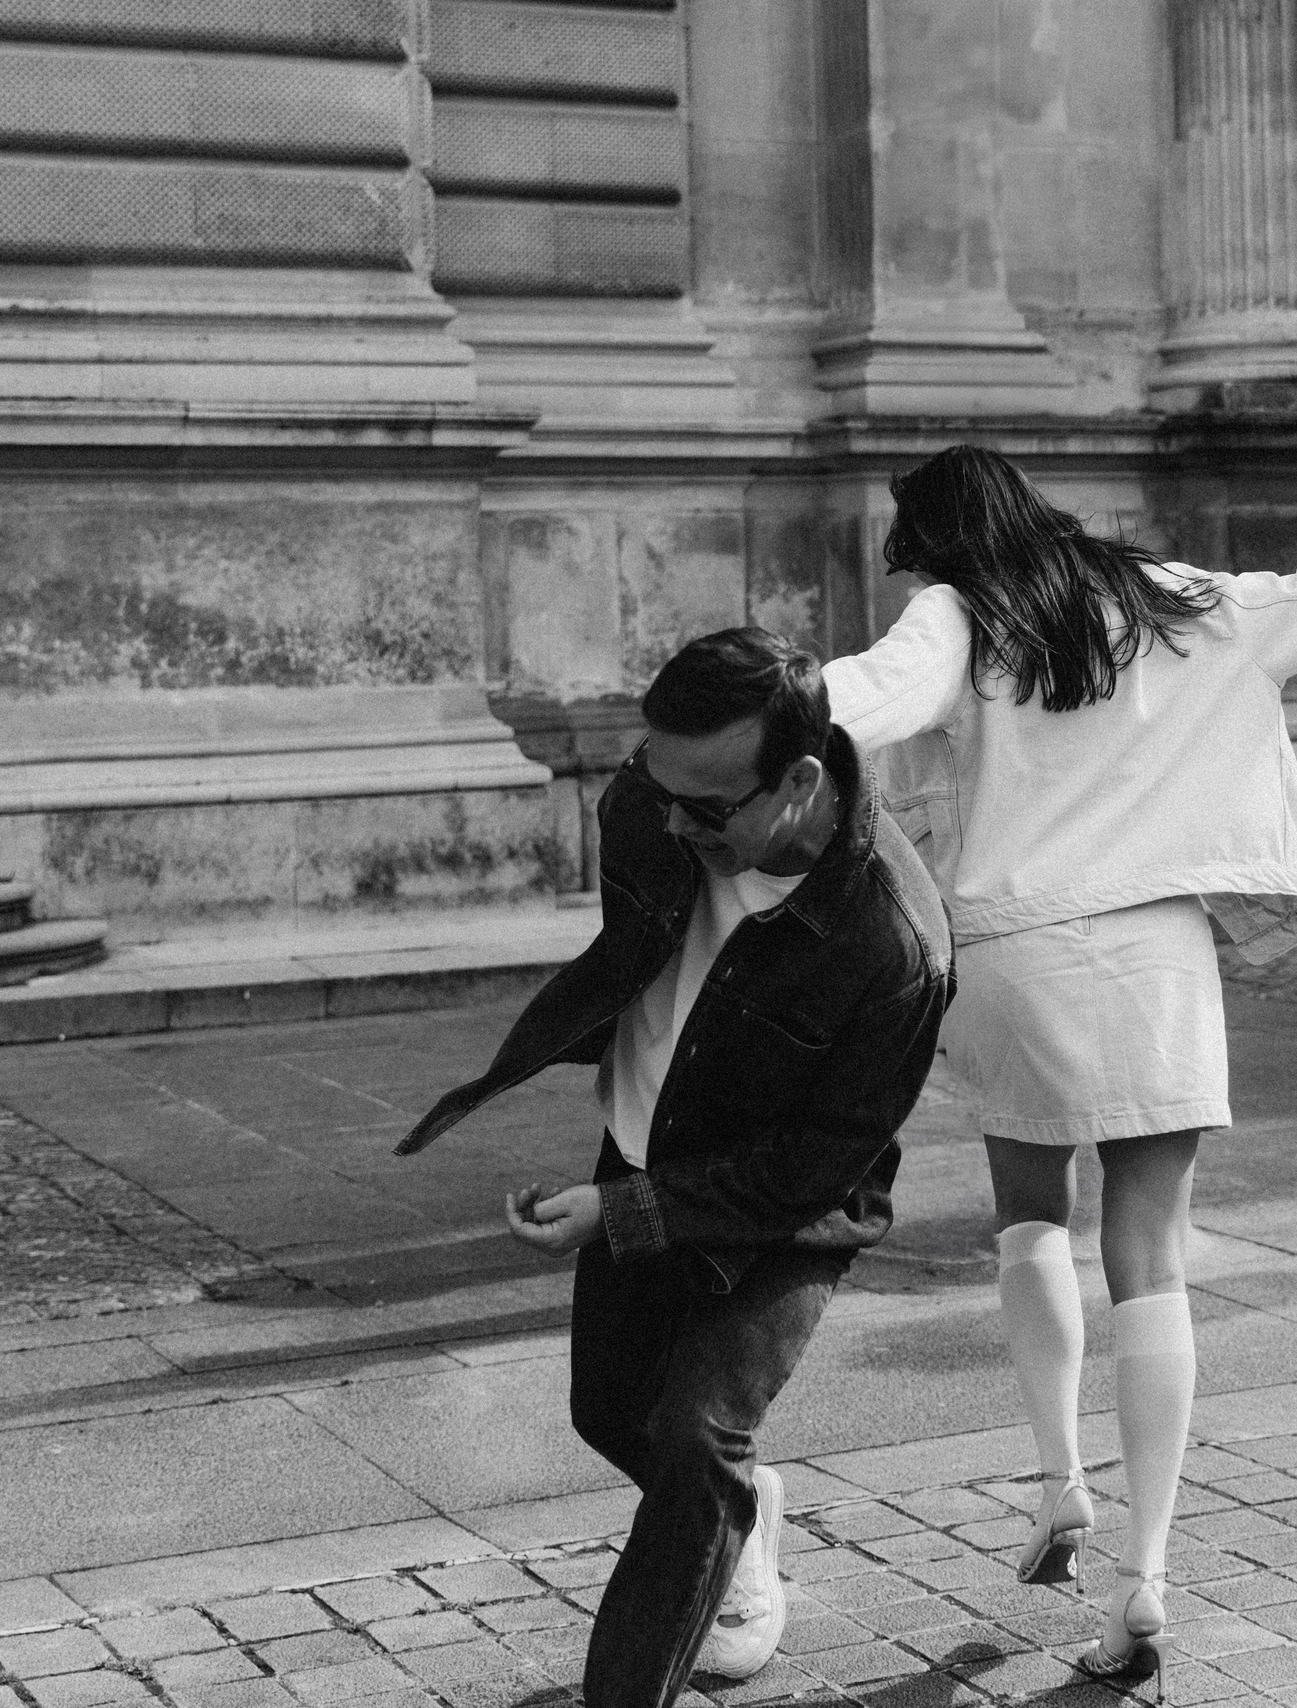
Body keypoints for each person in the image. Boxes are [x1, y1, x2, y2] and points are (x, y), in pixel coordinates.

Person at [821, 446, 1297, 1694]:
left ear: (938, 538)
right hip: (1152, 942)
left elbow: (877, 697)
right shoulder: (1168, 597)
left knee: (1027, 1213)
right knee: (1150, 1248)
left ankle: (1059, 1483)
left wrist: (765, 706)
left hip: (1014, 948)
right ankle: (1146, 1574)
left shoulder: (957, 610)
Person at [397, 628, 953, 1708]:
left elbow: (806, 1169)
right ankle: (735, 1515)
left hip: (788, 1212)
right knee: (610, 1412)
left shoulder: (892, 949)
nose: (667, 821)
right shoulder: (651, 804)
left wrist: (625, 1213)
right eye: (656, 785)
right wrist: (619, 1180)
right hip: (643, 1147)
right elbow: (638, 949)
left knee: (696, 1445)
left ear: (798, 783)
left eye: (706, 806)